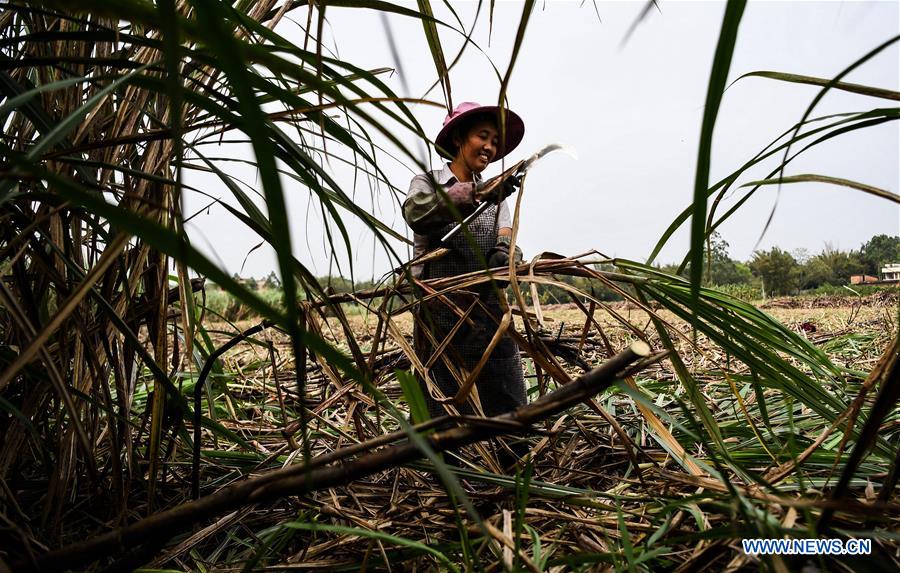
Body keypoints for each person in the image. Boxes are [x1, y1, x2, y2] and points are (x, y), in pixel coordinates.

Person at [402, 101, 527, 421]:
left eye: (495, 142)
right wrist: (475, 193)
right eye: (482, 136)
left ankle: (511, 464)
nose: (489, 147)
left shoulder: (499, 197)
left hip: (490, 315)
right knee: (443, 411)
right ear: (458, 138)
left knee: (510, 409)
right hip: (440, 316)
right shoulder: (427, 184)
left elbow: (507, 234)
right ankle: (449, 470)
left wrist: (505, 253)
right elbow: (417, 214)